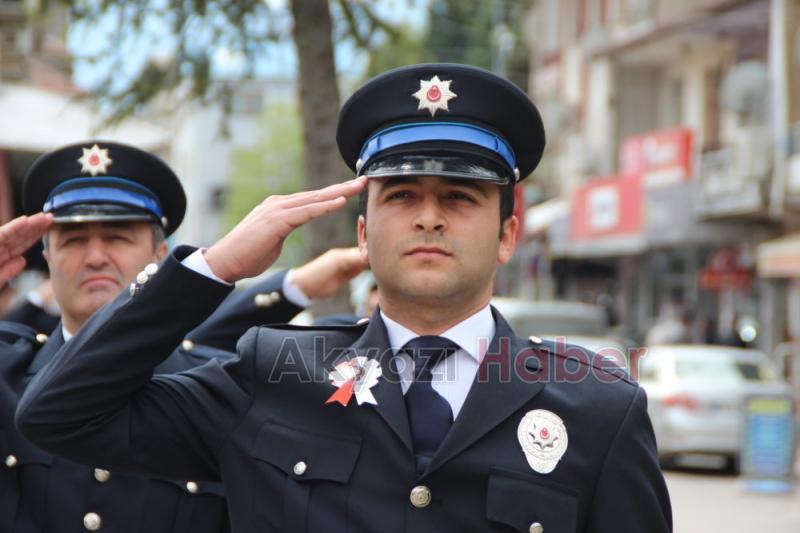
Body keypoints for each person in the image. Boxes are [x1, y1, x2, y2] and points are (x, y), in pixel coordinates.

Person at [17, 65, 672, 532]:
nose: (429, 218)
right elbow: (58, 414)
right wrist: (212, 268)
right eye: (403, 196)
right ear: (364, 229)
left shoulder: (596, 410)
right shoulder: (271, 374)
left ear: (508, 234)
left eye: (459, 197)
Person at [0, 141, 364, 533]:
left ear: (160, 256)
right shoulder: (8, 371)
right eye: (72, 241)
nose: (95, 257)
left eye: (118, 238)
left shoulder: (213, 386)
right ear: (47, 257)